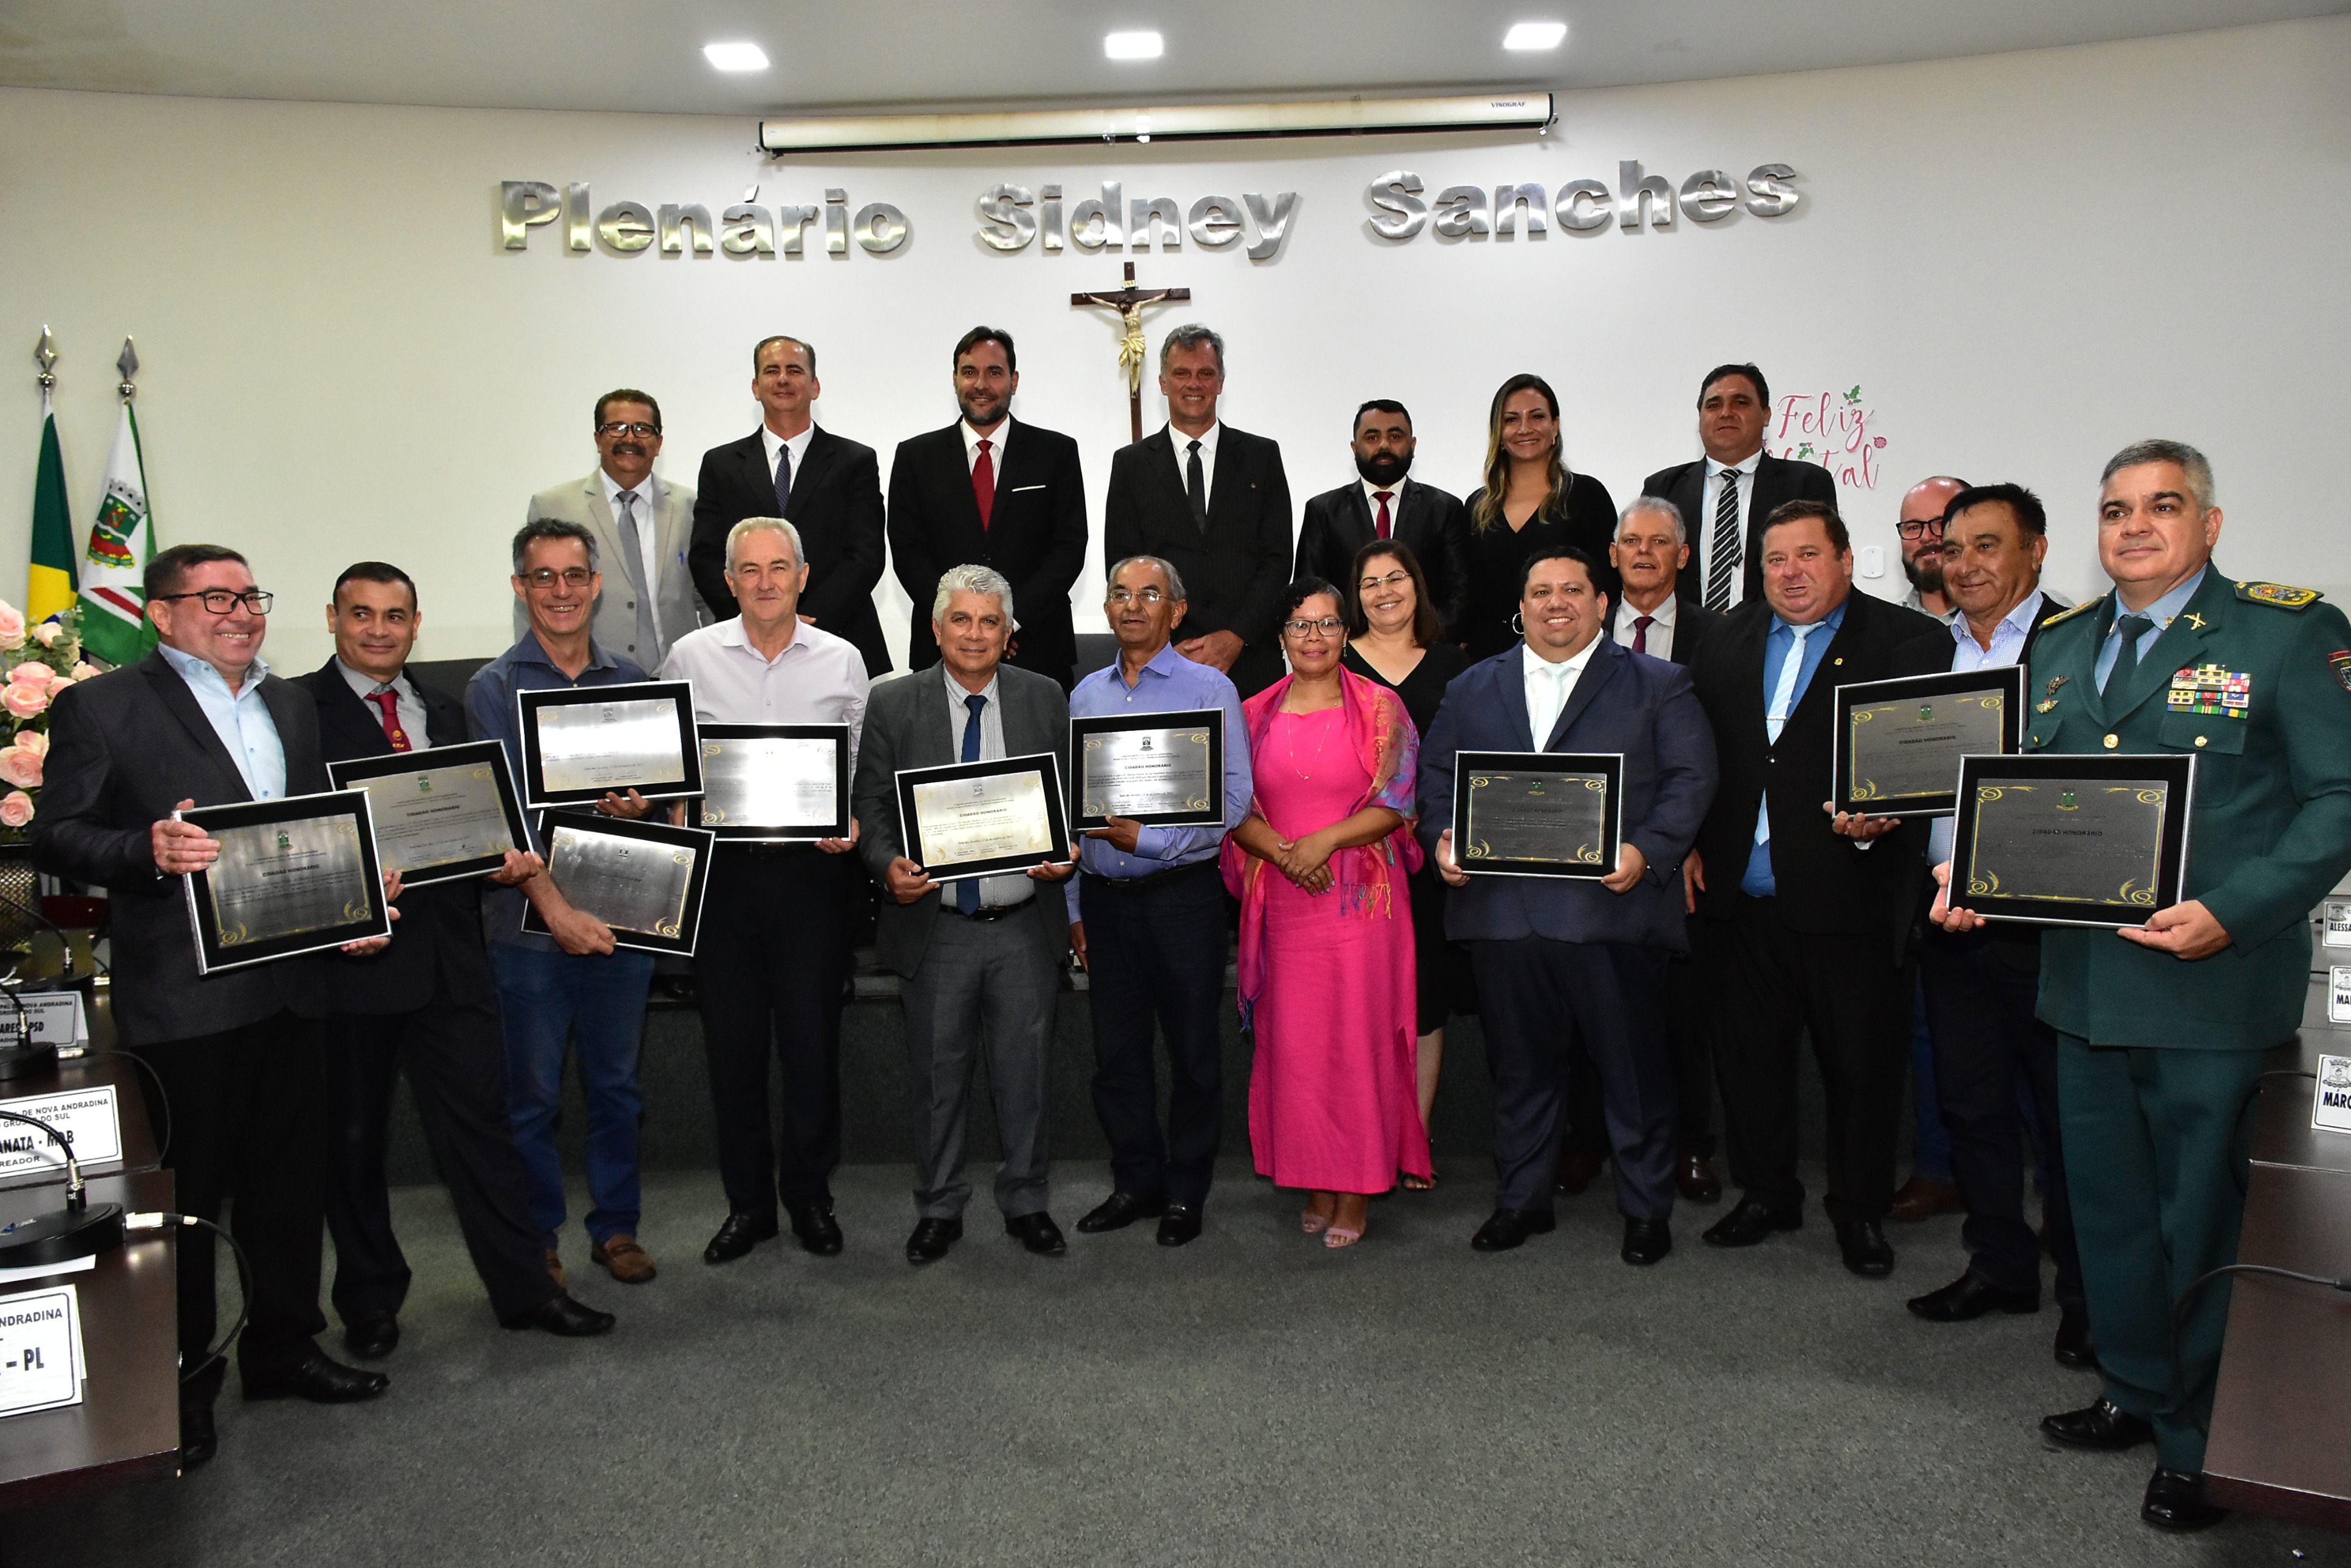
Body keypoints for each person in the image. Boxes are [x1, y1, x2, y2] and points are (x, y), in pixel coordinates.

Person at [1936, 441, 2351, 1533]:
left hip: (2213, 987)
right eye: (2116, 509)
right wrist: (1968, 867)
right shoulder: (2066, 641)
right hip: (2085, 989)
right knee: (2111, 1211)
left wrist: (2237, 909)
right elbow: (2035, 793)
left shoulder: (2285, 633)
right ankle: (2134, 1383)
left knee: (2201, 1219)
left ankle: (2203, 1438)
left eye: (2162, 506)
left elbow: (2339, 799)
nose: (2134, 526)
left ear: (2208, 525)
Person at [33, 544, 394, 1468]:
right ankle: (183, 1384)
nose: (241, 612)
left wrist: (357, 896)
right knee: (188, 1204)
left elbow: (308, 827)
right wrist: (147, 851)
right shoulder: (102, 706)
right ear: (161, 614)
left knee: (289, 1184)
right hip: (184, 999)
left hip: (294, 985)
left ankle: (282, 1348)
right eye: (216, 598)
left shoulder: (290, 703)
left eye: (250, 596)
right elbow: (58, 835)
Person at [299, 562, 615, 1357]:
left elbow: (471, 824)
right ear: (333, 618)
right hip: (357, 963)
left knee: (485, 1132)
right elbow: (295, 831)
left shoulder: (443, 708)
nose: (379, 630)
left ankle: (526, 1291)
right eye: (362, 614)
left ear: (416, 624)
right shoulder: (297, 710)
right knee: (352, 1141)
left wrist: (501, 863)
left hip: (451, 960)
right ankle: (370, 1301)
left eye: (394, 616)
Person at [1420, 548, 1717, 1263]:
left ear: (1601, 602)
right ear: (1520, 606)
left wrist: (1645, 852)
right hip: (1504, 917)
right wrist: (1442, 841)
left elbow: (1690, 778)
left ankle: (1644, 1209)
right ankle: (1521, 1201)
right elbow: (1434, 778)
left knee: (1632, 1072)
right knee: (1518, 1071)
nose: (1556, 603)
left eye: (1572, 590)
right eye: (1540, 592)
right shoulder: (1469, 687)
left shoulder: (1658, 683)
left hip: (1611, 916)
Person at [1680, 501, 1941, 1276]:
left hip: (1850, 897)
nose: (1789, 573)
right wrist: (1686, 842)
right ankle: (1766, 1193)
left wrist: (1891, 815)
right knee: (1749, 1062)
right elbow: (1698, 753)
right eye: (1774, 559)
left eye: (1806, 555)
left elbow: (1929, 760)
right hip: (1739, 898)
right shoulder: (1721, 637)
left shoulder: (1908, 640)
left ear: (1845, 560)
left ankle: (1858, 1212)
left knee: (1860, 1069)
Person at [1862, 486, 2087, 1364]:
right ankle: (1999, 1265)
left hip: (2046, 931)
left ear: (2035, 549)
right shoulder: (1923, 651)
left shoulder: (2082, 643)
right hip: (1947, 925)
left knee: (2068, 1123)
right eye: (1952, 549)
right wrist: (1875, 816)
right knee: (1972, 1106)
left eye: (1987, 545)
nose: (1965, 564)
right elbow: (1904, 779)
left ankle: (2086, 1295)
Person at [852, 565, 1077, 1264]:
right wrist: (886, 865)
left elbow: (1068, 798)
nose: (974, 634)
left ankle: (1027, 1201)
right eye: (961, 619)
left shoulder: (1045, 696)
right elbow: (871, 807)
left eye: (989, 621)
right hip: (937, 927)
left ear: (1008, 632)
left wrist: (1066, 849)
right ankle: (939, 1206)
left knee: (1025, 1078)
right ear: (935, 627)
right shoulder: (893, 703)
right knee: (935, 1080)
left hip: (1022, 926)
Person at [661, 518, 869, 1265]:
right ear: (728, 581)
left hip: (811, 878)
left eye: (778, 567)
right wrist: (675, 805)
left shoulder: (843, 660)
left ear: (803, 576)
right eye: (748, 570)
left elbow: (860, 766)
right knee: (734, 1050)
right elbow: (670, 765)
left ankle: (809, 1198)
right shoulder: (689, 657)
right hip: (725, 879)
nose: (765, 582)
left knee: (812, 1046)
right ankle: (747, 1207)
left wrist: (851, 819)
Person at [467, 520, 662, 1287]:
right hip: (528, 931)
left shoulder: (634, 678)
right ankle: (535, 1237)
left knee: (618, 1089)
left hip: (621, 918)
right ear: (520, 587)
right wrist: (555, 911)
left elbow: (662, 798)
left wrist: (644, 807)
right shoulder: (492, 689)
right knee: (532, 1098)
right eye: (543, 577)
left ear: (596, 584)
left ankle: (616, 1229)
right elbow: (505, 820)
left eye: (574, 575)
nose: (561, 591)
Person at [1221, 578, 1428, 1247]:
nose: (1314, 637)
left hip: (1361, 903)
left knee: (1356, 1046)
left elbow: (1398, 801)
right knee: (1296, 1049)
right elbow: (1229, 807)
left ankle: (1358, 1188)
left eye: (1328, 624)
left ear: (1346, 632)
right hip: (1285, 904)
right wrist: (1285, 855)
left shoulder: (1382, 707)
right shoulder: (1249, 713)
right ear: (1281, 637)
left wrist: (1323, 842)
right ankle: (1315, 1177)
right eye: (1300, 625)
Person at [1067, 555, 1253, 1246]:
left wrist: (1148, 839)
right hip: (1104, 901)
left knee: (1193, 1052)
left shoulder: (1211, 689)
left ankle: (1185, 1191)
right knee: (1116, 1056)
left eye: (1149, 594)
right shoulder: (1084, 695)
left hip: (1182, 899)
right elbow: (1072, 812)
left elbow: (1233, 799)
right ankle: (1135, 1182)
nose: (1132, 605)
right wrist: (1073, 909)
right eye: (1120, 593)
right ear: (1106, 610)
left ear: (1176, 611)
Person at [1579, 495, 1730, 1205]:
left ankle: (1689, 1145)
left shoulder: (1720, 637)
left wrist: (1683, 842)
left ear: (1683, 556)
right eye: (1630, 541)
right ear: (1611, 556)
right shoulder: (1576, 630)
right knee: (1586, 1008)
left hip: (1677, 857)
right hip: (1584, 858)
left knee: (1679, 1013)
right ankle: (1585, 1141)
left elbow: (1719, 754)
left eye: (1659, 541)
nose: (1643, 552)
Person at [1339, 540, 1469, 1181]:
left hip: (1427, 861)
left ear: (1417, 586)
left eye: (1396, 578)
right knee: (1358, 999)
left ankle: (1413, 1140)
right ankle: (1359, 1136)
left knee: (1424, 1000)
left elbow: (1468, 756)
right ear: (1355, 597)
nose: (1384, 591)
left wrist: (1436, 820)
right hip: (1352, 859)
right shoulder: (1334, 660)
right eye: (1370, 583)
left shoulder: (1453, 664)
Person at [887, 325, 1087, 687]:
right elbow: (908, 552)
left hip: (1038, 646)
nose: (981, 384)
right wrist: (962, 624)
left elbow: (1069, 548)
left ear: (1014, 380)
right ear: (954, 380)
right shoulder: (915, 457)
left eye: (994, 372)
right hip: (942, 652)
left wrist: (1007, 622)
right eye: (970, 372)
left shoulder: (1056, 453)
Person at [1103, 324, 1295, 697]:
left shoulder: (1262, 457)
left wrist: (1236, 636)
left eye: (1206, 373)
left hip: (1250, 658)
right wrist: (1162, 647)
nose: (1194, 384)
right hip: (1162, 661)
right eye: (1182, 373)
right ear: (1163, 383)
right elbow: (1123, 567)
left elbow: (1278, 558)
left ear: (1221, 383)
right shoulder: (1130, 465)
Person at [688, 334, 890, 676]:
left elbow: (865, 555)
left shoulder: (855, 461)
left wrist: (803, 621)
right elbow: (706, 555)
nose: (783, 379)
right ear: (756, 387)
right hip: (743, 645)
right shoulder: (720, 465)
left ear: (815, 386)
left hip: (837, 635)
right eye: (772, 371)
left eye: (794, 370)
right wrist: (755, 618)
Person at [1887, 474, 1970, 1223]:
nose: (1928, 540)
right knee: (1922, 1026)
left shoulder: (2046, 633)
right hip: (1909, 868)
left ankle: (2054, 1195)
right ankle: (1938, 1168)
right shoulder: (1886, 633)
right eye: (1912, 528)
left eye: (1941, 524)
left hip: (2010, 868)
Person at [520, 388, 707, 670]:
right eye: (617, 428)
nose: (630, 438)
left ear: (659, 443)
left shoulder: (690, 507)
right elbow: (531, 603)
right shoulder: (553, 506)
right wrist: (534, 674)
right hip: (590, 677)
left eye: (643, 429)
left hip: (679, 674)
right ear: (598, 439)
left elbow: (707, 597)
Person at [1641, 364, 1838, 614]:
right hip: (1685, 632)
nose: (1726, 413)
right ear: (1700, 418)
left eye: (1741, 403)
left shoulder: (1806, 483)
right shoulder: (1663, 487)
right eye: (1714, 405)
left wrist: (1743, 622)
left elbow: (1821, 569)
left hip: (1772, 628)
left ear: (1766, 415)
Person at [1460, 374, 1618, 660]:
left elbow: (1609, 587)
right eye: (1511, 419)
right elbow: (1468, 596)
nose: (1525, 428)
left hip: (1570, 653)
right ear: (1498, 431)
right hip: (1489, 659)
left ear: (1555, 426)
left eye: (1537, 417)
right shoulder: (1477, 507)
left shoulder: (1586, 495)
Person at [1295, 400, 1471, 640]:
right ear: (1355, 448)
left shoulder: (1445, 509)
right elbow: (1310, 595)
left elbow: (1460, 594)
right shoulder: (1323, 511)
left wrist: (1424, 647)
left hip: (1427, 650)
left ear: (1413, 445)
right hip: (1348, 653)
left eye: (1395, 437)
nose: (1384, 445)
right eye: (1372, 438)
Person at [1895, 475, 1964, 619]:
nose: (1926, 537)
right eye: (1913, 527)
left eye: (1941, 523)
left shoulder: (2008, 622)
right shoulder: (1882, 626)